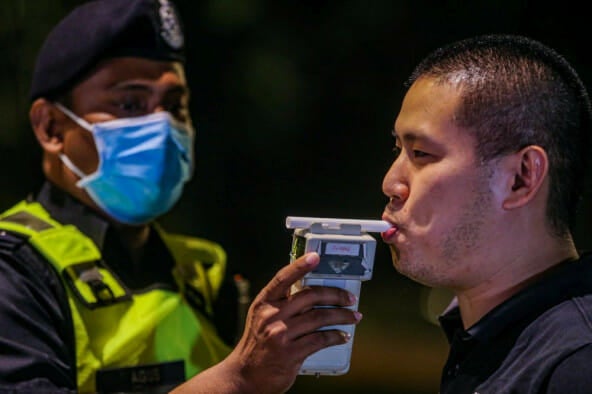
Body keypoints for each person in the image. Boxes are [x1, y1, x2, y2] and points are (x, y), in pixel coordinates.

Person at [0, 1, 361, 393]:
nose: (162, 125)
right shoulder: (14, 274)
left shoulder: (203, 270)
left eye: (174, 106)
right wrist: (239, 378)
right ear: (51, 127)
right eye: (130, 103)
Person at [380, 33, 592, 393]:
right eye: (398, 148)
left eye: (421, 154)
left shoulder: (576, 365)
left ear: (521, 178)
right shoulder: (490, 338)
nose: (390, 183)